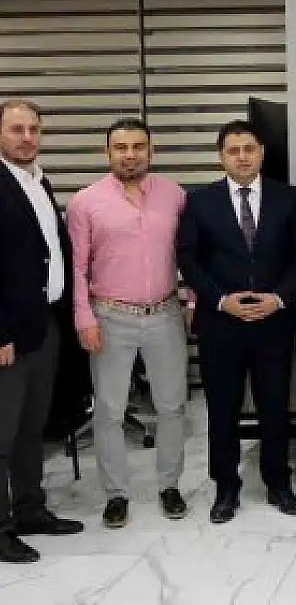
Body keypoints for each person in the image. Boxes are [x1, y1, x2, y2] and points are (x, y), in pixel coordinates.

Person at [176, 120, 296, 523]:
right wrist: (220, 301)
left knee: (274, 408)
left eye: (249, 148)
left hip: (273, 323)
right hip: (221, 325)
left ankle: (278, 483)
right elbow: (188, 259)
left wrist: (279, 298)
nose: (242, 157)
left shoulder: (288, 197)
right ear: (221, 156)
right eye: (233, 150)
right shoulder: (200, 201)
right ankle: (226, 488)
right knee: (223, 410)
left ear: (262, 152)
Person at [67, 118, 190, 528]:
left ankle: (169, 485)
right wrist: (83, 317)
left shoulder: (174, 195)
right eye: (121, 147)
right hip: (109, 316)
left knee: (172, 405)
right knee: (109, 410)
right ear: (107, 152)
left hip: (165, 314)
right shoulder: (85, 202)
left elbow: (189, 253)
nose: (130, 154)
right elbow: (76, 268)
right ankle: (116, 494)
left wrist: (193, 300)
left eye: (138, 146)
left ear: (151, 151)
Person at [0, 99, 84, 563]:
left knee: (32, 428)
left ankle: (30, 510)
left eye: (33, 129)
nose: (27, 137)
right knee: (2, 435)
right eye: (16, 129)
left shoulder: (38, 181)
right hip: (8, 334)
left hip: (44, 325)